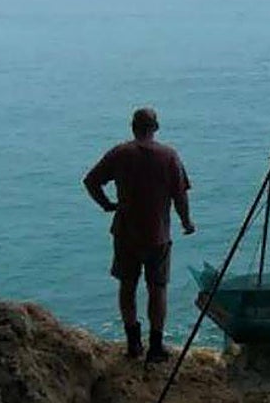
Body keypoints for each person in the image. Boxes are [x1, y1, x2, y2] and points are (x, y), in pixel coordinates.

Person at [83, 107, 195, 362]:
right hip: (157, 235)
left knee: (127, 286)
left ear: (132, 127)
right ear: (155, 128)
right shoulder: (169, 156)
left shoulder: (120, 153)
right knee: (158, 289)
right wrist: (187, 222)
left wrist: (107, 204)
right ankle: (156, 346)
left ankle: (133, 344)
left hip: (125, 232)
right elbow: (180, 196)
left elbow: (90, 181)